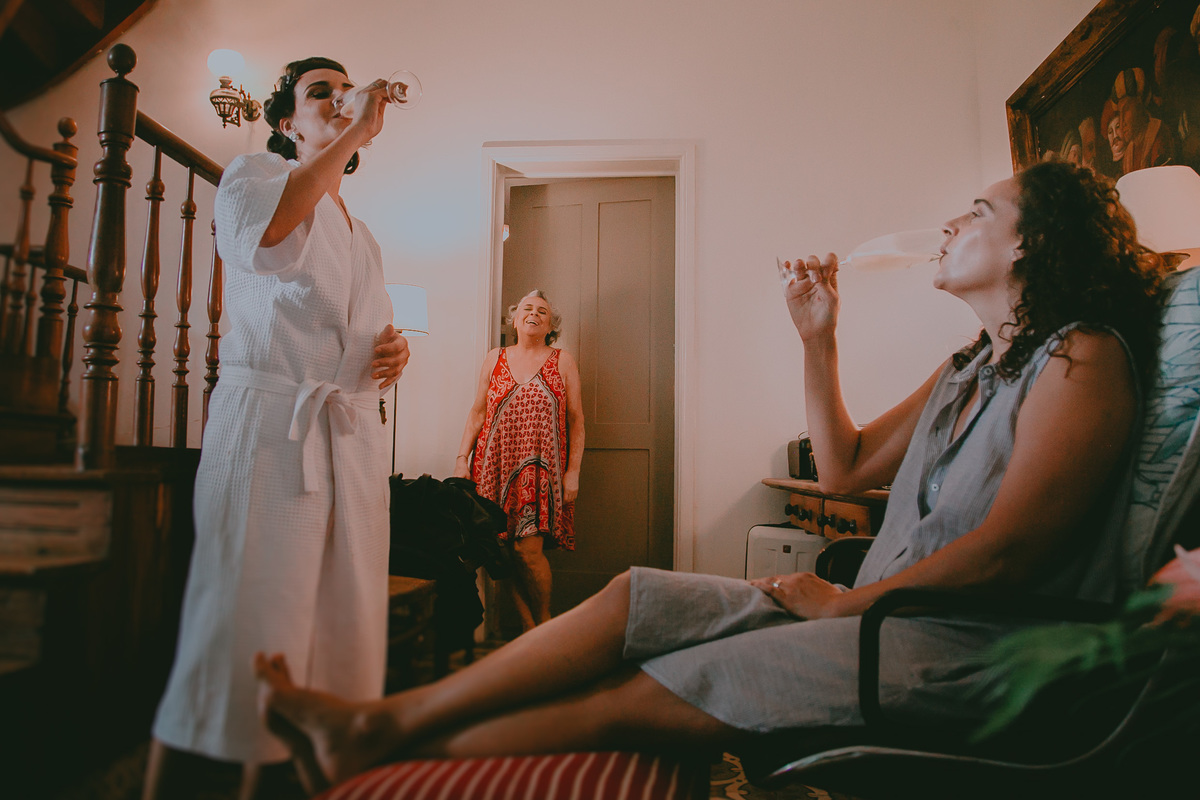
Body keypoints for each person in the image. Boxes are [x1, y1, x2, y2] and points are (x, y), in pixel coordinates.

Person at [252, 161, 1165, 793]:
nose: (954, 224)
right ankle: (390, 720)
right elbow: (844, 470)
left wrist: (843, 604)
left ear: (1034, 244)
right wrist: (817, 339)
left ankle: (379, 749)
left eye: (979, 212)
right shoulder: (967, 365)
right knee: (633, 597)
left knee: (651, 686)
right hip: (874, 615)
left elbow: (1010, 555)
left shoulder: (1082, 359)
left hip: (959, 647)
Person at [143, 57, 411, 799]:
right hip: (268, 434)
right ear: (288, 121)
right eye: (320, 92)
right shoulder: (254, 175)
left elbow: (364, 337)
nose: (339, 98)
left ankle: (297, 781)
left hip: (346, 445)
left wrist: (394, 352)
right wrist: (355, 127)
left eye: (345, 89)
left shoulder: (363, 237)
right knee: (241, 630)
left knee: (334, 637)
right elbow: (260, 241)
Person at [452, 289, 585, 631]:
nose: (534, 314)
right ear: (514, 320)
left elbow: (576, 421)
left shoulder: (563, 361)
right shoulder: (494, 358)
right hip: (492, 467)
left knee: (528, 551)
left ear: (550, 326)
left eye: (542, 311)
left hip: (541, 472)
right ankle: (529, 628)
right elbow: (478, 412)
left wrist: (573, 472)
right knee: (501, 551)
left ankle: (544, 624)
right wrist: (462, 458)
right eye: (527, 308)